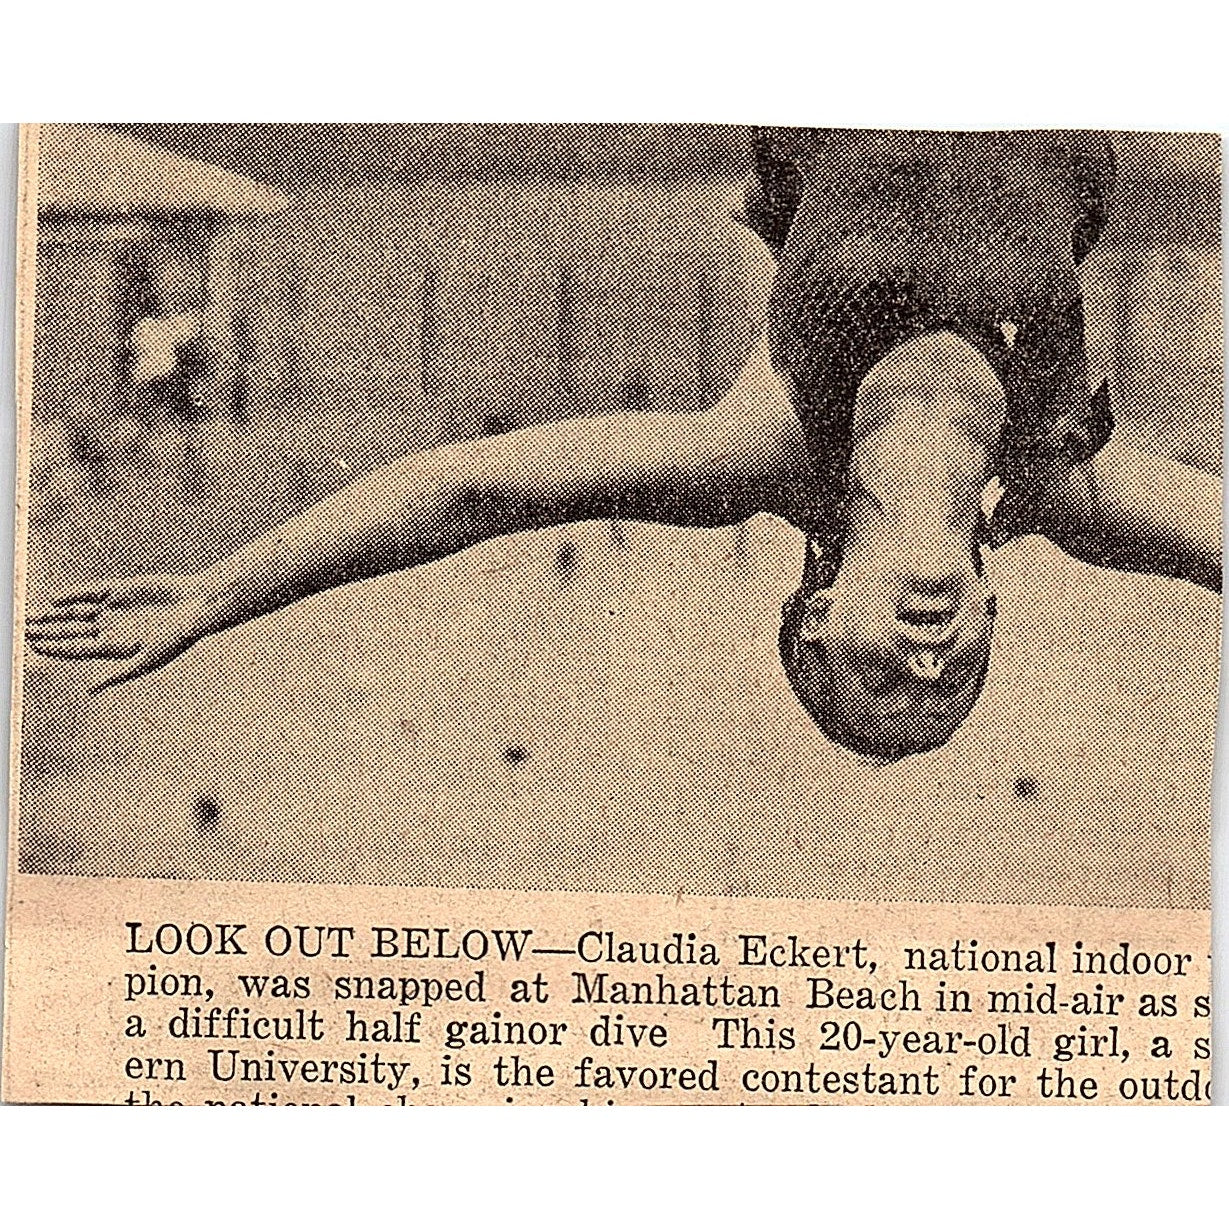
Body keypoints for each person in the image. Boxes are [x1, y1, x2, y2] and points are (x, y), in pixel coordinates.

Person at [27, 128, 1221, 760]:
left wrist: (216, 591)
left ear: (814, 613)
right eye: (948, 685)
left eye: (874, 679)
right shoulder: (1070, 480)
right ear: (988, 621)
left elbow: (468, 490)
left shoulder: (758, 449)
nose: (921, 661)